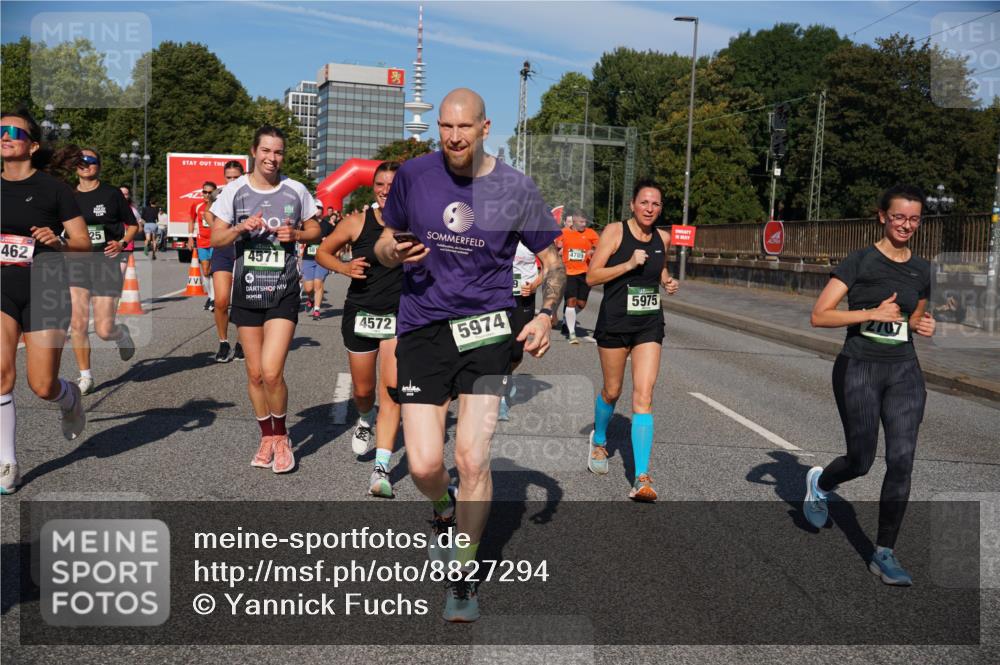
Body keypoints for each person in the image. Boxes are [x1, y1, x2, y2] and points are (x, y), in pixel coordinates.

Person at [374, 89, 564, 622]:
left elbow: (552, 259)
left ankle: (463, 574)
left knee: (473, 458)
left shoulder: (513, 187)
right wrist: (395, 251)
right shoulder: (414, 175)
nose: (454, 137)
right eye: (445, 127)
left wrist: (546, 315)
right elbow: (386, 242)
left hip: (486, 331)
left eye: (464, 127)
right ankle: (442, 508)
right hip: (423, 328)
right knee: (425, 463)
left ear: (485, 127)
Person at [805, 184, 935, 586]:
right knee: (861, 460)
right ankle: (820, 483)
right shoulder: (859, 262)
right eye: (899, 217)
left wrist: (921, 324)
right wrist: (869, 313)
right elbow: (819, 316)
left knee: (901, 460)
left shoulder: (923, 270)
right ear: (882, 216)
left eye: (913, 219)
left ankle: (884, 552)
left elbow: (911, 319)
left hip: (904, 373)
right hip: (858, 367)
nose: (906, 225)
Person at [210, 125, 320, 474]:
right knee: (255, 374)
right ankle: (267, 436)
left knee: (272, 372)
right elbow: (216, 238)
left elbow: (317, 228)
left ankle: (283, 436)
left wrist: (298, 233)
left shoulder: (295, 190)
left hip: (283, 291)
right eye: (266, 151)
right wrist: (240, 228)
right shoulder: (234, 191)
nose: (272, 158)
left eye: (278, 152)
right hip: (248, 290)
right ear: (254, 152)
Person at [1, 109, 90, 493]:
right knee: (1, 374)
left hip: (46, 288)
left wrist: (58, 243)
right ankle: (7, 462)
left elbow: (84, 245)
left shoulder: (55, 190)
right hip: (2, 287)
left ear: (32, 145)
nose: (4, 136)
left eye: (12, 131)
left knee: (42, 384)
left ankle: (68, 396)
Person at [585, 179, 679, 501]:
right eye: (644, 203)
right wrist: (627, 263)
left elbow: (660, 266)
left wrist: (667, 280)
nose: (649, 209)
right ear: (632, 205)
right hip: (614, 322)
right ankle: (599, 441)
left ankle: (641, 478)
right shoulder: (614, 232)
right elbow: (591, 276)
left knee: (644, 395)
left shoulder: (663, 238)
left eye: (655, 204)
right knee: (613, 390)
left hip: (648, 324)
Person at [316, 162, 402, 497]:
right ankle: (365, 419)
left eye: (393, 184)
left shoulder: (416, 224)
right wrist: (344, 267)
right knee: (364, 392)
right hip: (361, 314)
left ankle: (380, 470)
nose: (385, 190)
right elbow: (323, 252)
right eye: (380, 184)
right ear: (373, 187)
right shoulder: (356, 222)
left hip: (400, 316)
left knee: (391, 389)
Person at [68, 149, 138, 396]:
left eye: (90, 161)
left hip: (106, 262)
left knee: (103, 329)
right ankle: (85, 376)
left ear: (99, 165)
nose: (84, 164)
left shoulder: (111, 194)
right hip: (77, 262)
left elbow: (133, 226)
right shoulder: (67, 194)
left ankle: (121, 335)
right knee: (77, 323)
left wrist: (121, 243)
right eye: (79, 161)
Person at [498, 241, 544, 421]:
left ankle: (506, 376)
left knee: (516, 353)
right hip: (497, 296)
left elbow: (550, 266)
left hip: (523, 298)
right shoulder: (499, 232)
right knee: (498, 346)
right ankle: (500, 398)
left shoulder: (532, 236)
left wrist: (534, 285)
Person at [207, 161, 246, 362]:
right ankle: (223, 343)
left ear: (243, 175)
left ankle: (242, 342)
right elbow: (209, 215)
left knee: (243, 301)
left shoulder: (250, 193)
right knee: (221, 301)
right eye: (228, 177)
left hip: (243, 249)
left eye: (236, 177)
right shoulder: (221, 195)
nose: (231, 181)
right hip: (223, 250)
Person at [556, 209, 599, 343]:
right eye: (581, 222)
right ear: (573, 222)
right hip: (569, 273)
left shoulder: (590, 233)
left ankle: (566, 319)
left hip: (585, 273)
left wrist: (593, 250)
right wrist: (558, 249)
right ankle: (572, 333)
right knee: (571, 301)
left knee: (581, 304)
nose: (584, 224)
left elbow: (600, 246)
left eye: (585, 221)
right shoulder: (564, 232)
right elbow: (555, 245)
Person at [300, 202, 336, 321]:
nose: (316, 210)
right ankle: (310, 299)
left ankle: (316, 310)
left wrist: (328, 241)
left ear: (322, 210)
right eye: (314, 207)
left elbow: (336, 241)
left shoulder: (328, 226)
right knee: (308, 288)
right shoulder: (306, 225)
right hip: (308, 258)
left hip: (323, 258)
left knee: (318, 284)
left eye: (319, 208)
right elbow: (300, 238)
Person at [189, 181, 217, 312]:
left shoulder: (218, 205)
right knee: (205, 271)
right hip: (202, 241)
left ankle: (213, 298)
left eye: (209, 192)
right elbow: (191, 219)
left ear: (214, 192)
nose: (206, 194)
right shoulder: (197, 205)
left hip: (216, 241)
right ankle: (210, 296)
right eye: (204, 192)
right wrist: (190, 236)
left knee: (214, 270)